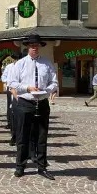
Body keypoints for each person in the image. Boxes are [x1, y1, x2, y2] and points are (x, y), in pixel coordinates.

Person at [8, 34, 58, 180]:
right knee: (23, 136)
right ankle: (20, 166)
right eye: (32, 45)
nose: (34, 48)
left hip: (41, 103)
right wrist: (27, 88)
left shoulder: (47, 63)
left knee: (42, 136)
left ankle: (41, 166)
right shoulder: (20, 64)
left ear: (39, 47)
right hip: (25, 102)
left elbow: (54, 82)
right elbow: (12, 83)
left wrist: (47, 90)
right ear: (28, 47)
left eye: (36, 45)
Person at [2, 51, 22, 142]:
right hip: (11, 89)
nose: (17, 61)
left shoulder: (23, 67)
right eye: (15, 59)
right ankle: (11, 125)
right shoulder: (9, 67)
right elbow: (4, 77)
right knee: (11, 108)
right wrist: (8, 82)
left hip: (21, 90)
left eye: (18, 59)